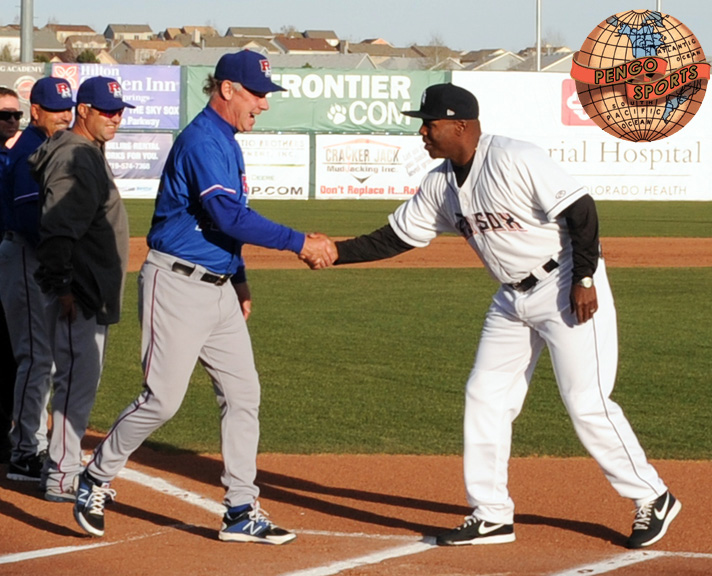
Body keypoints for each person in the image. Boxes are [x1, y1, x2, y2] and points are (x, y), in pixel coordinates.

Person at [315, 83, 680, 550]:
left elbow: (580, 211)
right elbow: (396, 238)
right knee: (484, 395)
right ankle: (491, 515)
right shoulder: (439, 183)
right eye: (422, 124)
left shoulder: (513, 157)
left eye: (430, 124)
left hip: (565, 284)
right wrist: (334, 252)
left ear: (461, 125)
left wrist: (584, 279)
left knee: (586, 401)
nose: (423, 133)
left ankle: (653, 495)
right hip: (512, 298)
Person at [72, 50, 335, 544]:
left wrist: (238, 279)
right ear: (227, 89)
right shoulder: (200, 140)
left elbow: (226, 222)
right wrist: (300, 242)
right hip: (175, 283)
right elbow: (228, 216)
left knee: (243, 394)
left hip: (217, 289)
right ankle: (96, 476)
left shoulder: (228, 141)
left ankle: (239, 509)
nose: (265, 104)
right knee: (163, 400)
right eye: (258, 94)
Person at [28, 76, 131, 502]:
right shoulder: (76, 155)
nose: (115, 117)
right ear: (82, 111)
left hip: (87, 287)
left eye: (119, 110)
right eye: (106, 110)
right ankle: (63, 474)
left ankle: (64, 467)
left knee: (77, 379)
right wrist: (64, 287)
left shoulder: (84, 151)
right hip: (80, 291)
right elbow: (58, 229)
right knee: (75, 381)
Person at [0, 78, 75, 484]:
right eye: (56, 108)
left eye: (69, 107)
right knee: (35, 356)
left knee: (42, 356)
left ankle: (31, 444)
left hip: (32, 258)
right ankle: (26, 451)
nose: (65, 114)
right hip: (26, 256)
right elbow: (32, 220)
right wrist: (62, 261)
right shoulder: (31, 152)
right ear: (36, 112)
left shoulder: (46, 148)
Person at [0, 87, 22, 464]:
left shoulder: (16, 157)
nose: (13, 121)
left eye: (17, 115)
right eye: (5, 114)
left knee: (9, 352)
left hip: (9, 259)